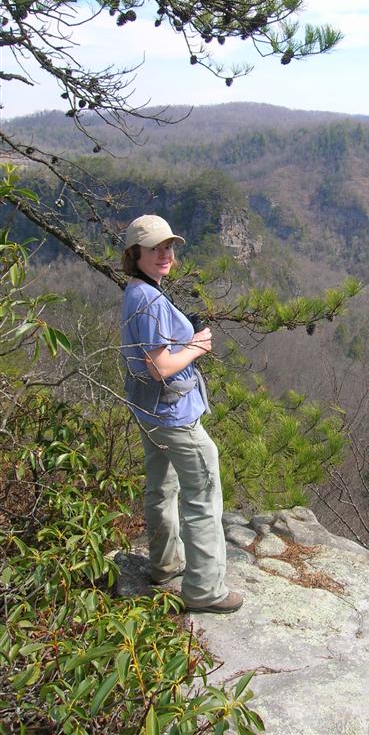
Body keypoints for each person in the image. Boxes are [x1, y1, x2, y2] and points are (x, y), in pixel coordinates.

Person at [120, 214, 242, 614]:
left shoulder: (136, 291)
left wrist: (183, 343)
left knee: (161, 487)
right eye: (156, 248)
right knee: (204, 495)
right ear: (135, 253)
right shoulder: (150, 299)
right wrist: (197, 347)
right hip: (173, 415)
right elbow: (159, 367)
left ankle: (164, 564)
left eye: (169, 246)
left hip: (148, 411)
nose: (165, 254)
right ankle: (205, 590)